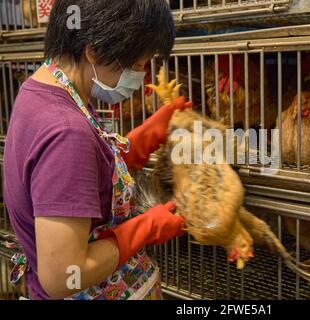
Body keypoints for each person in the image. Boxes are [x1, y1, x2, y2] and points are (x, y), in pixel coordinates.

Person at [3, 0, 190, 300]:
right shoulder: (66, 131)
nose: (140, 78)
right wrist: (145, 228)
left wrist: (143, 138)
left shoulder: (42, 91)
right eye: (139, 65)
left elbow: (80, 179)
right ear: (95, 50)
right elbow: (63, 275)